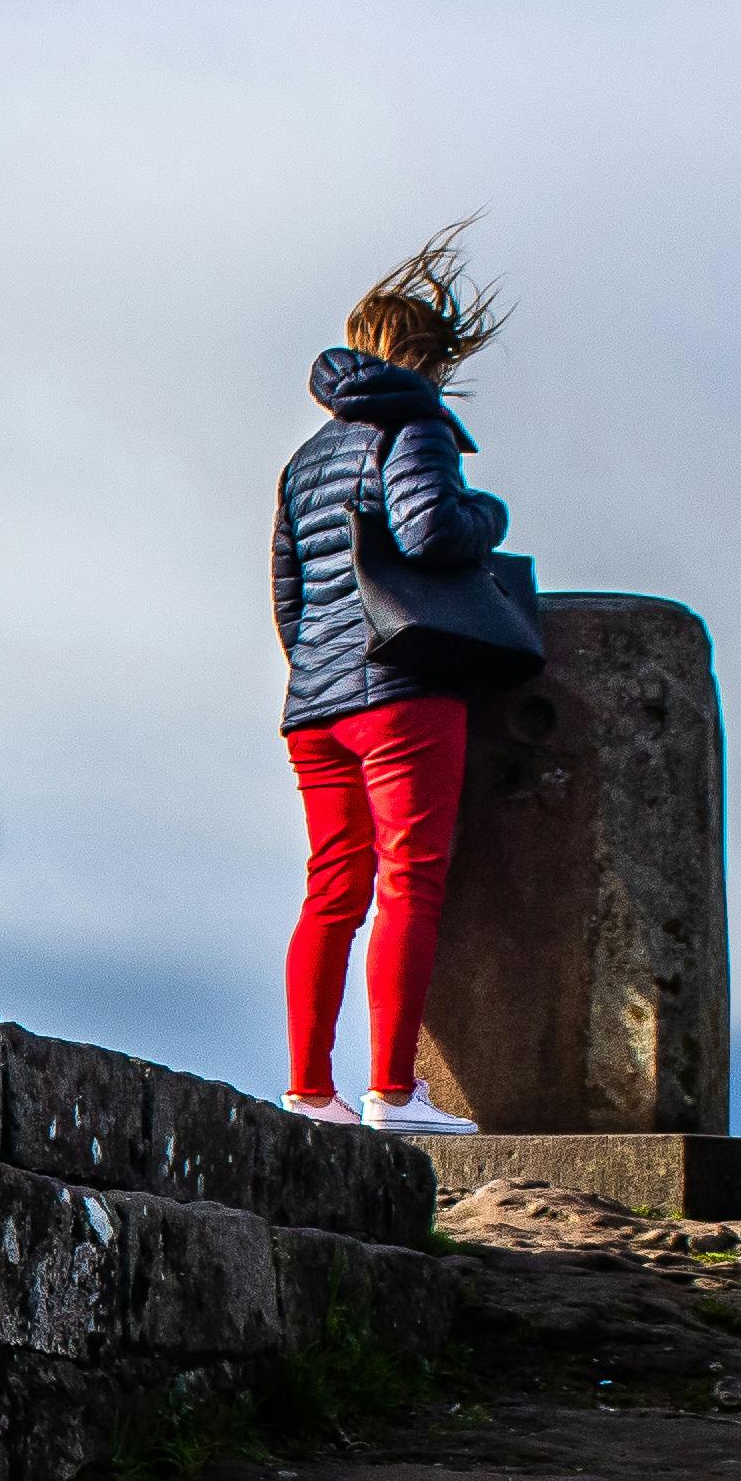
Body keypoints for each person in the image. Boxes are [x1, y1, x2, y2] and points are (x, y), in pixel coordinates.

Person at [270, 223, 509, 1133]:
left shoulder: (305, 457)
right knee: (412, 880)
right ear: (428, 357)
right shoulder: (414, 425)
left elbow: (289, 592)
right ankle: (394, 1096)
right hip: (403, 690)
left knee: (332, 890)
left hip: (314, 706)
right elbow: (431, 532)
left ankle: (308, 1094)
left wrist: (319, 670)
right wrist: (489, 513)